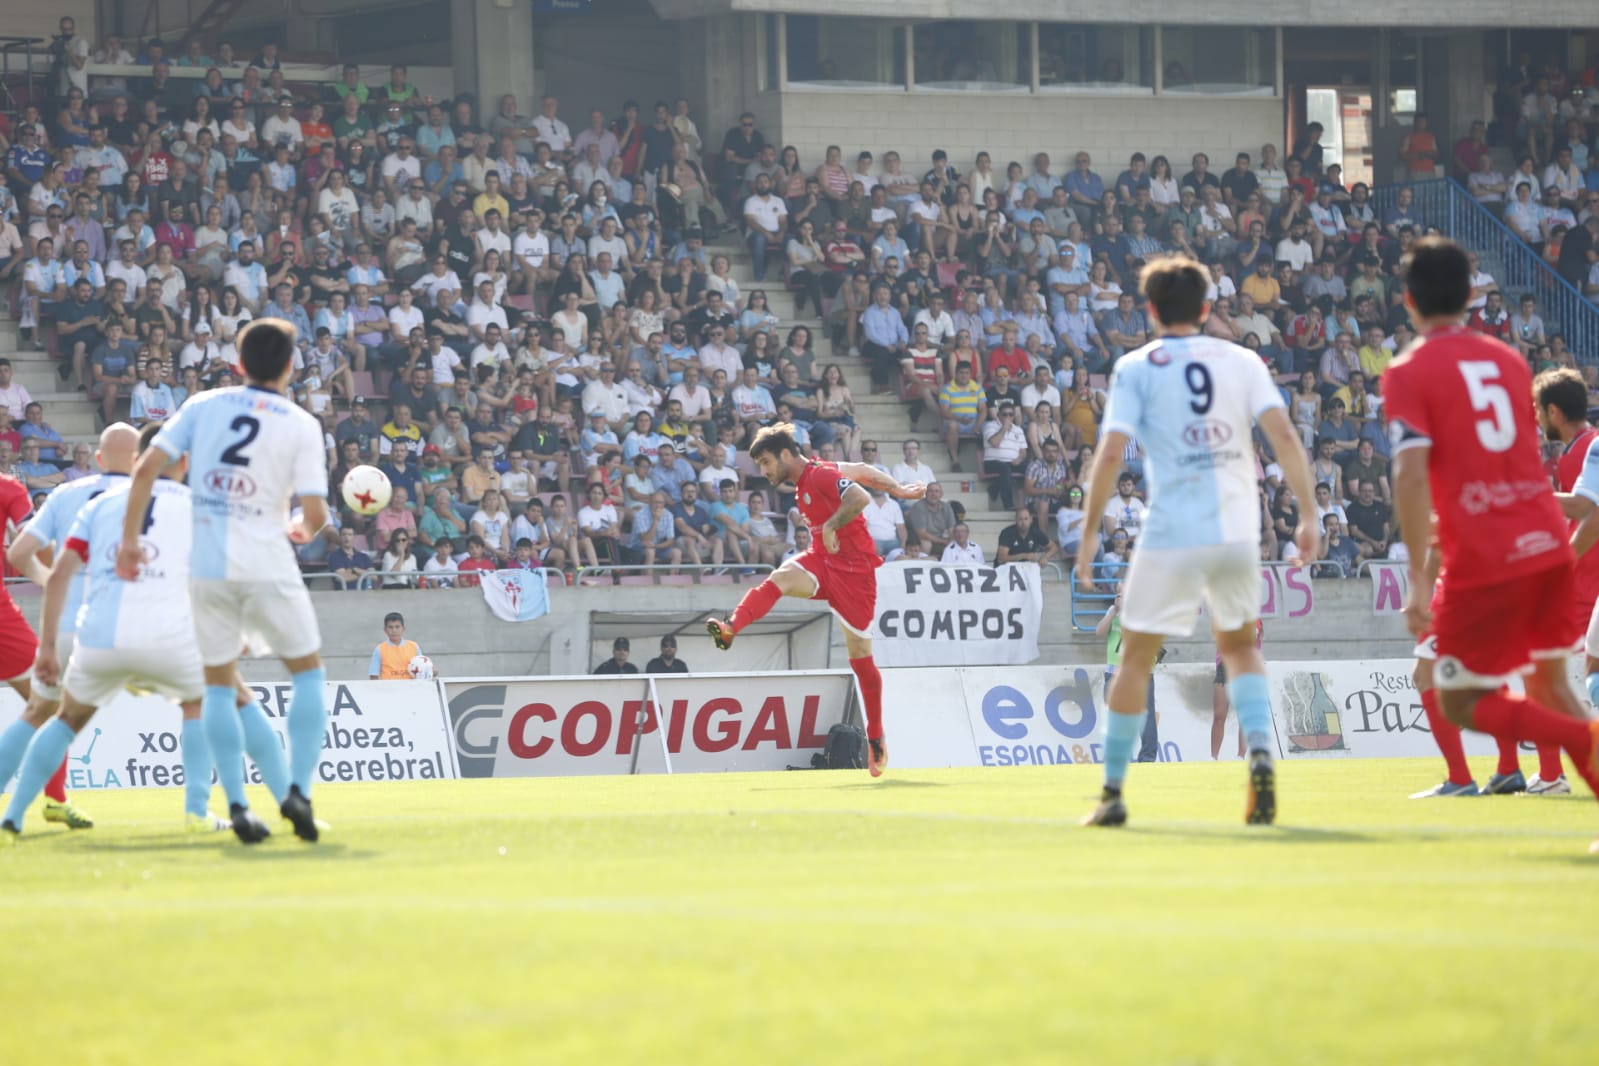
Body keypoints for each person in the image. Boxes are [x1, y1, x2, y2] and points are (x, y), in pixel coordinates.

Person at [1075, 256, 1317, 828]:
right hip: (1235, 527)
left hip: (1171, 529)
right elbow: (1283, 435)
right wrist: (1308, 512)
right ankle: (1259, 761)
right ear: (1209, 309)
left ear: (1151, 310)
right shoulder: (1242, 360)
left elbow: (1110, 454)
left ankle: (1112, 791)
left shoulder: (1137, 366)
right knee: (1239, 649)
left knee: (1134, 657)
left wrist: (1089, 532)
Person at [1385, 237, 1599, 852]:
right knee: (1551, 688)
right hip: (1545, 543)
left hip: (1485, 553)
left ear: (1408, 300)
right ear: (1471, 297)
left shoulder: (1409, 371)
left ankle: (1569, 751)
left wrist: (1421, 579)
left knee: (1454, 696)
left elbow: (1410, 473)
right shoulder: (1507, 361)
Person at [117, 319, 331, 845]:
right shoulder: (302, 424)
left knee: (217, 683)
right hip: (268, 561)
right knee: (307, 674)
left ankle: (236, 803)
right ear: (289, 366)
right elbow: (316, 513)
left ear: (237, 363)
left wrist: (127, 542)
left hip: (208, 566)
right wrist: (301, 529)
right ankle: (298, 792)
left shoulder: (202, 406)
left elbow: (145, 471)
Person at [1, 424, 226, 844]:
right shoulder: (173, 500)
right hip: (146, 625)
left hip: (73, 626)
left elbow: (17, 554)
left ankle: (17, 811)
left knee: (42, 714)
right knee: (199, 703)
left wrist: (51, 582)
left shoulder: (71, 494)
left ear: (99, 459)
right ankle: (202, 808)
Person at [704, 424, 926, 776]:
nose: (763, 472)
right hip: (822, 560)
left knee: (861, 659)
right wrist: (898, 488)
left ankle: (876, 737)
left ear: (786, 455)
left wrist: (833, 526)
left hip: (854, 574)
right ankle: (731, 628)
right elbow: (864, 472)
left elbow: (859, 497)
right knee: (779, 578)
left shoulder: (819, 475)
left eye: (765, 462)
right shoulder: (820, 472)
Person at [1097, 592, 1161, 763]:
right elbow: (1099, 631)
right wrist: (1114, 611)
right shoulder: (1113, 611)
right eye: (1118, 593)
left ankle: (1148, 757)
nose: (1120, 596)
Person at [369, 611, 421, 680]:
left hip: (410, 688)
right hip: (388, 689)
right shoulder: (379, 649)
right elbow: (373, 676)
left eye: (397, 627)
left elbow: (422, 669)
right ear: (385, 630)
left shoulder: (414, 647)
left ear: (403, 628)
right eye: (390, 627)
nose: (394, 630)